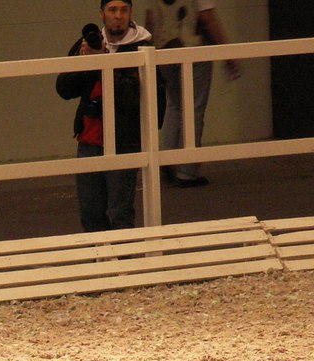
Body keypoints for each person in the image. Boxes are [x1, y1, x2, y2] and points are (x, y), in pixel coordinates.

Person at [56, 0, 166, 232]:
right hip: (89, 139)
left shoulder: (142, 48)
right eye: (112, 10)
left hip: (124, 141)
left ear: (130, 13)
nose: (118, 16)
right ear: (102, 14)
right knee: (90, 213)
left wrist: (102, 62)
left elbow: (131, 96)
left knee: (120, 213)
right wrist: (85, 62)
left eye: (123, 10)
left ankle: (124, 257)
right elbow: (64, 89)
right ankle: (99, 256)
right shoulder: (88, 43)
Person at [146, 0, 242, 188]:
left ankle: (167, 159)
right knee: (193, 110)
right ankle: (187, 171)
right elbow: (207, 17)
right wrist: (227, 53)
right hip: (192, 48)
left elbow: (150, 18)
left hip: (163, 49)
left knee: (174, 105)